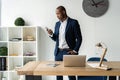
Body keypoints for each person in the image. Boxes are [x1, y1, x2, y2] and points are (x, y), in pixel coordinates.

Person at [46, 6, 82, 80]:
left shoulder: (73, 22)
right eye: (56, 14)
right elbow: (56, 39)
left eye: (58, 13)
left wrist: (75, 51)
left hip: (69, 52)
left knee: (71, 75)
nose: (57, 16)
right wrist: (51, 34)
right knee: (58, 74)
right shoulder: (57, 24)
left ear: (64, 12)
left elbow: (79, 38)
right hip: (58, 52)